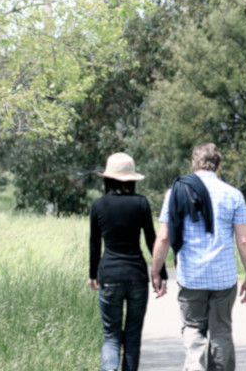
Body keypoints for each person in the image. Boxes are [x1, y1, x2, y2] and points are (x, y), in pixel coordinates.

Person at [150, 143, 246, 371]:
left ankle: (195, 367)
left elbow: (164, 236)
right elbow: (243, 240)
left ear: (193, 163)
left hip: (191, 275)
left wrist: (156, 271)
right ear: (218, 166)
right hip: (223, 277)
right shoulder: (233, 195)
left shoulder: (175, 192)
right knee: (222, 330)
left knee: (193, 327)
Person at [89, 152, 167, 371]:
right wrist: (160, 274)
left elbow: (95, 245)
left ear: (107, 178)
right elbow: (153, 240)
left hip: (110, 275)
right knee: (132, 336)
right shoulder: (141, 204)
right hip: (136, 277)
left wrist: (92, 274)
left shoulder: (98, 205)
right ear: (132, 179)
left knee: (111, 335)